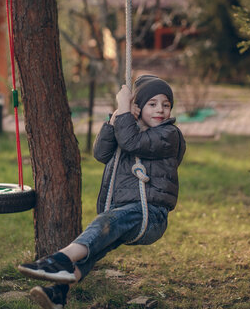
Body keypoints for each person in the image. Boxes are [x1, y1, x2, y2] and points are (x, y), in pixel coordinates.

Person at [18, 75, 186, 308]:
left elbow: (132, 143)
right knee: (94, 249)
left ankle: (59, 260)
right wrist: (116, 117)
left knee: (105, 222)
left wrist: (124, 112)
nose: (160, 110)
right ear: (139, 106)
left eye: (166, 105)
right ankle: (57, 293)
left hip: (151, 215)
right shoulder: (129, 128)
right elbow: (101, 153)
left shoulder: (169, 135)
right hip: (128, 212)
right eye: (153, 104)